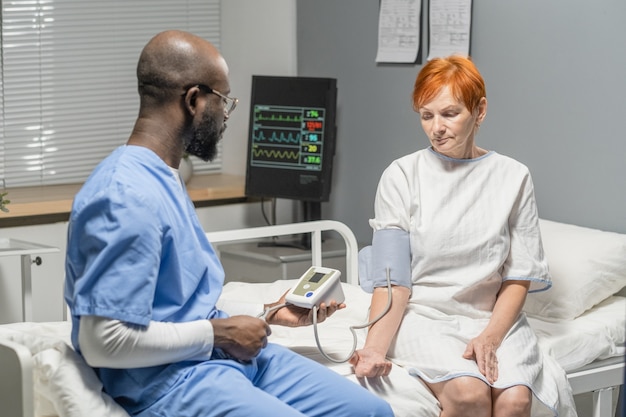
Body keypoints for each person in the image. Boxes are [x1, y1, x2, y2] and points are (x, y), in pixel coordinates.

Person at [64, 30, 394, 417]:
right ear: (193, 100)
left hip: (224, 357)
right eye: (224, 102)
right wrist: (220, 333)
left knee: (372, 412)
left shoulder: (165, 176)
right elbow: (102, 340)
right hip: (171, 382)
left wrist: (264, 316)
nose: (226, 116)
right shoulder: (123, 193)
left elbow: (180, 306)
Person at [350, 55, 577, 417]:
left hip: (494, 319)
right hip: (425, 315)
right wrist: (374, 349)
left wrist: (491, 336)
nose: (436, 127)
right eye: (427, 116)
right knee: (469, 394)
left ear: (480, 110)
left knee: (515, 400)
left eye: (449, 113)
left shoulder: (513, 177)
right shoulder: (402, 175)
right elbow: (393, 281)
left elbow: (518, 275)